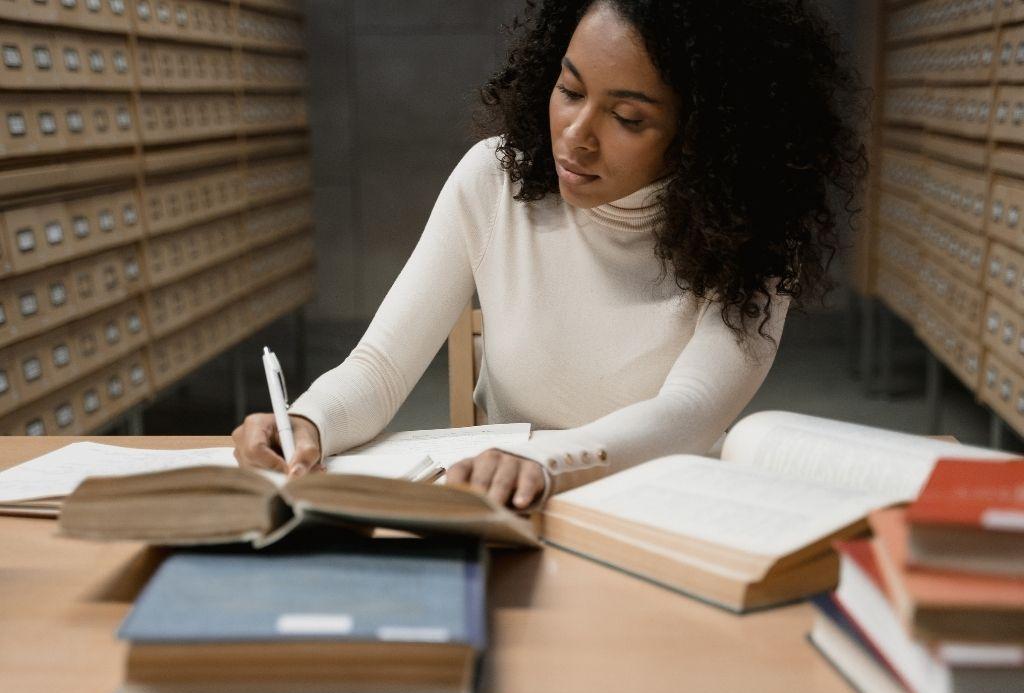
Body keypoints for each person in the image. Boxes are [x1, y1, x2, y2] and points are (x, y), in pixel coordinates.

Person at [233, 0, 867, 510]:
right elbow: (379, 368)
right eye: (570, 90)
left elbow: (691, 413)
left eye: (627, 117)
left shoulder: (753, 238)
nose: (576, 134)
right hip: (513, 512)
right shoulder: (493, 182)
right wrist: (308, 422)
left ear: (704, 135)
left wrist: (545, 462)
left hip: (659, 511)